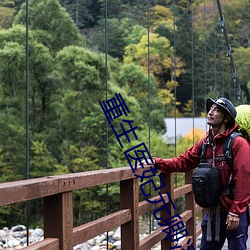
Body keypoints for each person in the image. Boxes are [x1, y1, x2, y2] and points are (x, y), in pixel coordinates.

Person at [141, 97, 250, 250]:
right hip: (213, 211)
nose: (210, 112)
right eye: (210, 109)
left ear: (226, 118)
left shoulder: (238, 144)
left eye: (216, 110)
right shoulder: (205, 143)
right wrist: (157, 162)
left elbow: (244, 179)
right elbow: (183, 161)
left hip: (233, 212)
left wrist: (236, 212)